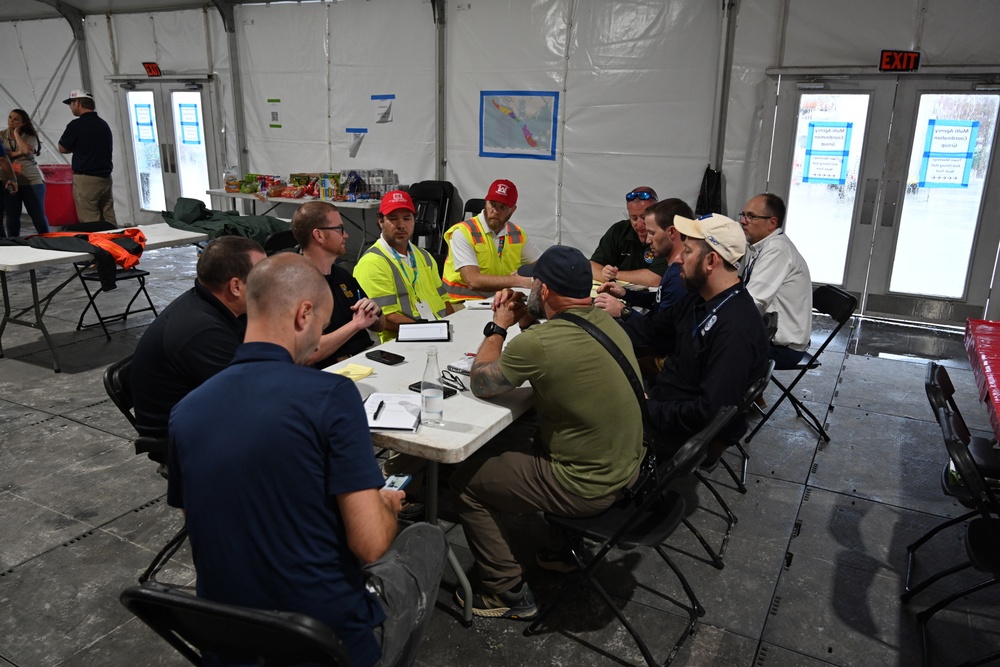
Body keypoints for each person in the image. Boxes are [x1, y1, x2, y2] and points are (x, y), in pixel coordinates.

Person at [167, 252, 448, 667]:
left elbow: (209, 519)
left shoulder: (186, 410)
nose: (319, 339)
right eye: (321, 325)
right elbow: (369, 544)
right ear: (303, 315)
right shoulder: (330, 397)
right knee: (427, 539)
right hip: (322, 644)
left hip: (227, 639)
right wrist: (384, 508)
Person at [449, 245, 644, 620]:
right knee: (536, 434)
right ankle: (560, 552)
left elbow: (482, 383)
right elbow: (555, 353)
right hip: (627, 468)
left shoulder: (539, 343)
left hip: (586, 484)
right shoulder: (605, 323)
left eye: (534, 281)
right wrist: (528, 321)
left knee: (464, 483)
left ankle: (505, 590)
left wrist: (499, 326)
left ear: (546, 290)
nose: (530, 287)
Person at [623, 213, 769, 454]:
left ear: (711, 261)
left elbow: (707, 413)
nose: (678, 258)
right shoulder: (698, 298)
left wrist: (645, 408)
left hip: (681, 431)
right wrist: (598, 329)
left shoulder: (735, 328)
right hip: (666, 402)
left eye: (687, 251)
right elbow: (653, 330)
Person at [131, 236, 266, 446]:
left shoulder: (220, 305)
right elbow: (251, 398)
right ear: (236, 286)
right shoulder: (203, 331)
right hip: (188, 440)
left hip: (208, 415)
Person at [291, 200, 385, 368]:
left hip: (367, 359)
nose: (346, 235)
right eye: (340, 229)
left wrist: (375, 311)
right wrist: (355, 325)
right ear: (318, 235)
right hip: (334, 371)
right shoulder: (295, 285)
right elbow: (308, 353)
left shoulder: (342, 275)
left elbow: (380, 326)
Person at [354, 190, 453, 343]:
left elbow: (443, 299)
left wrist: (453, 325)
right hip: (402, 341)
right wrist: (429, 332)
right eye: (393, 219)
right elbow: (385, 317)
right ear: (380, 221)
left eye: (407, 218)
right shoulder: (372, 263)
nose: (401, 225)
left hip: (438, 333)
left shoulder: (424, 256)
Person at [594, 198, 694, 333]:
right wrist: (625, 294)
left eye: (652, 233)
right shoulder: (674, 269)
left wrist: (623, 311)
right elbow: (659, 300)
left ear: (671, 232)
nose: (647, 239)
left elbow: (659, 334)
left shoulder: (680, 276)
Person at [738, 193, 812, 366]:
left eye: (751, 216)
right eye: (743, 215)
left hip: (783, 348)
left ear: (772, 223)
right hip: (770, 337)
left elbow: (754, 301)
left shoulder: (777, 250)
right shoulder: (763, 246)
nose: (743, 221)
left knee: (713, 347)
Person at [441, 179, 539, 301]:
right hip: (463, 303)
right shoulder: (463, 232)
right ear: (486, 203)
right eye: (492, 204)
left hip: (499, 301)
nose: (496, 211)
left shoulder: (517, 233)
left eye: (503, 207)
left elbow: (541, 265)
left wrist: (533, 275)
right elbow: (473, 281)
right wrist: (518, 280)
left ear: (513, 209)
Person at [58, 90, 116, 224]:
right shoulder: (103, 124)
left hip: (86, 180)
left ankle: (97, 245)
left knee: (90, 220)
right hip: (105, 178)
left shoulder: (76, 125)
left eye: (71, 104)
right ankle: (117, 241)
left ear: (78, 103)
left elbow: (62, 147)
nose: (70, 107)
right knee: (108, 216)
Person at [589, 186, 666, 287]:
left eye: (644, 217)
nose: (639, 224)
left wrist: (615, 275)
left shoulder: (665, 235)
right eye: (634, 218)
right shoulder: (619, 230)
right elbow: (592, 266)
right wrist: (605, 273)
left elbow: (655, 279)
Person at [1, 109, 47, 236]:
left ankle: (48, 240)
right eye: (10, 117)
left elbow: (26, 150)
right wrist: (19, 152)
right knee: (12, 217)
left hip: (32, 181)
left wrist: (16, 133)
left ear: (23, 123)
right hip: (9, 181)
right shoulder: (1, 135)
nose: (11, 121)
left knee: (38, 215)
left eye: (16, 119)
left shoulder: (30, 136)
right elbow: (3, 156)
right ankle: (14, 244)